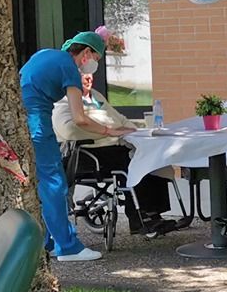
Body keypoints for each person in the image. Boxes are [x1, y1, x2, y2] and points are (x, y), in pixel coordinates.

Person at [19, 30, 132, 263]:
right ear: (86, 53)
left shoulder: (45, 54)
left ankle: (46, 242)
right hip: (38, 124)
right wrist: (108, 131)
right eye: (96, 59)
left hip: (19, 124)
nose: (93, 66)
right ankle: (68, 247)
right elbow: (79, 118)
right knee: (55, 185)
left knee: (41, 186)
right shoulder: (69, 68)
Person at [55, 63, 175, 237]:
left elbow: (120, 119)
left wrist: (133, 131)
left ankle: (153, 212)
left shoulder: (95, 96)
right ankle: (137, 217)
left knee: (151, 154)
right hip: (88, 153)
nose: (88, 78)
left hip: (111, 148)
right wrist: (108, 133)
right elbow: (68, 130)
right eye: (83, 75)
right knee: (135, 160)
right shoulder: (64, 100)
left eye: (90, 74)